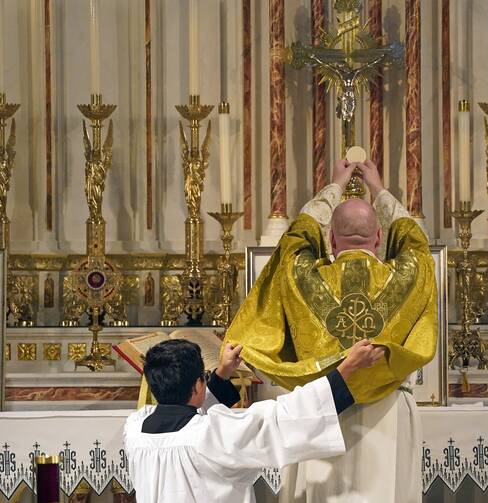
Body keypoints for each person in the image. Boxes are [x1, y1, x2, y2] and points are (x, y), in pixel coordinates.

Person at [226, 159, 438, 502]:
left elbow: (295, 239)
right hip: (385, 415)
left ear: (331, 239)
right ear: (380, 236)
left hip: (320, 410)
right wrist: (380, 189)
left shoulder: (302, 276)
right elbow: (416, 241)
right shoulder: (408, 274)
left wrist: (332, 189)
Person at [123, 337, 384, 503]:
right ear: (197, 385)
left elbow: (188, 419)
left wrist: (222, 374)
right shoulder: (213, 435)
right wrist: (347, 368)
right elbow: (280, 419)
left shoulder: (135, 429)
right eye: (204, 376)